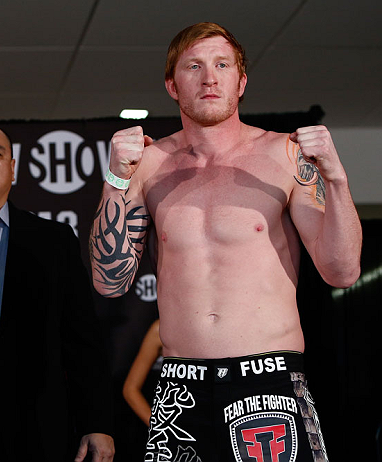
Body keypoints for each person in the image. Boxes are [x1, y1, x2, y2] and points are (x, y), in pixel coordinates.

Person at [88, 22, 362, 462]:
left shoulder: (284, 154)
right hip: (180, 388)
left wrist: (337, 178)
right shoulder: (148, 165)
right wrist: (117, 178)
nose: (209, 77)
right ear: (172, 85)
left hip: (268, 382)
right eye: (194, 66)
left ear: (242, 81)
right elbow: (109, 281)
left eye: (222, 65)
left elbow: (343, 271)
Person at [0, 119, 115, 462]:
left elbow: (82, 341)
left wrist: (97, 422)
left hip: (33, 424)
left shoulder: (54, 241)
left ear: (12, 168)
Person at [122, 319, 163, 426]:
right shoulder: (161, 329)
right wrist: (159, 428)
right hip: (177, 427)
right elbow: (130, 389)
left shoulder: (210, 329)